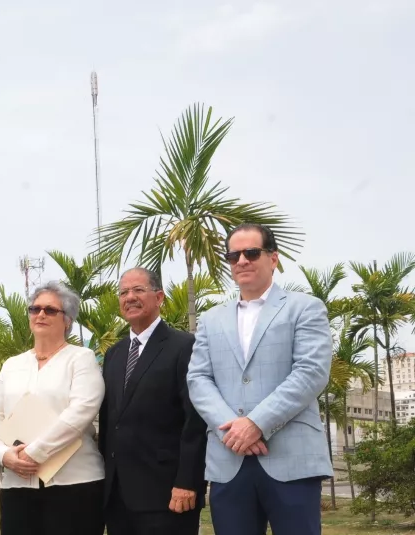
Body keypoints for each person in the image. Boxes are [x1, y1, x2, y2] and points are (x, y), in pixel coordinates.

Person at [187, 223, 332, 535]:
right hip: (229, 459)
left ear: (273, 258)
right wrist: (232, 428)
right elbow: (198, 379)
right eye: (233, 255)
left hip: (291, 460)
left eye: (251, 252)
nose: (241, 261)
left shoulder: (305, 308)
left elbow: (311, 372)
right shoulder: (211, 319)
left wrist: (256, 424)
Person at [0, 281, 105, 535]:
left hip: (74, 485)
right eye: (34, 308)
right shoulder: (12, 365)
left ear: (67, 320)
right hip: (17, 484)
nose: (40, 314)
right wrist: (4, 455)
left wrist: (35, 453)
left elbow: (81, 411)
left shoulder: (80, 359)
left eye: (50, 310)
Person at [98, 268, 206, 535]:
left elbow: (196, 420)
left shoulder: (185, 346)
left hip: (168, 494)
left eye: (138, 290)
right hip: (118, 496)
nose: (130, 297)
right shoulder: (114, 353)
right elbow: (111, 420)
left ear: (159, 297)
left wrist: (188, 482)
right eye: (123, 292)